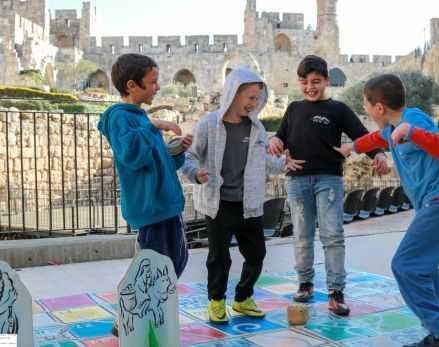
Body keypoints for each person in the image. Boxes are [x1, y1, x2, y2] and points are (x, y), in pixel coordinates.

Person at [338, 74, 439, 347]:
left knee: (405, 266)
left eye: (365, 105)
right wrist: (351, 147)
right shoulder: (392, 129)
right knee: (421, 262)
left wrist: (411, 132)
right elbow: (376, 138)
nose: (365, 110)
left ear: (379, 107)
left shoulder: (413, 120)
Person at [269, 55, 388, 316]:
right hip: (297, 181)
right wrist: (275, 144)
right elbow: (279, 138)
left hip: (329, 180)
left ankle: (336, 291)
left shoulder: (338, 109)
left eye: (316, 81)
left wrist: (378, 154)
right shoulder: (293, 109)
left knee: (332, 235)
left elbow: (361, 135)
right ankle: (305, 284)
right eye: (304, 82)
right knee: (302, 235)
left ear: (326, 80)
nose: (310, 87)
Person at [182, 67, 302, 324]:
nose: (254, 103)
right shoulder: (209, 124)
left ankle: (242, 298)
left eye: (257, 98)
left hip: (249, 202)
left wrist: (283, 164)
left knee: (257, 254)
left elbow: (263, 162)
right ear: (233, 94)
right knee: (219, 258)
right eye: (249, 97)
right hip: (219, 203)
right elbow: (188, 156)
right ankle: (216, 301)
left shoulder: (256, 128)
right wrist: (196, 173)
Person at [98, 54, 191, 337]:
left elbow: (160, 160)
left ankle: (150, 310)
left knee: (177, 259)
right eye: (153, 82)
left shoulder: (139, 119)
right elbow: (131, 155)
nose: (158, 87)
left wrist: (176, 149)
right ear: (131, 86)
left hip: (166, 204)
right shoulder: (118, 118)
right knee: (150, 268)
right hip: (150, 208)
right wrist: (154, 127)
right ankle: (127, 317)